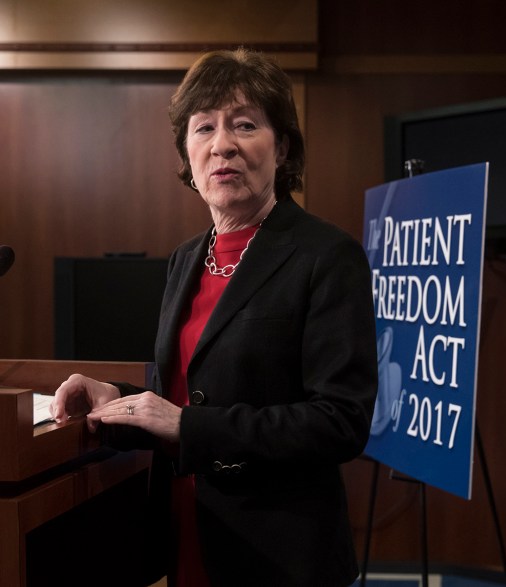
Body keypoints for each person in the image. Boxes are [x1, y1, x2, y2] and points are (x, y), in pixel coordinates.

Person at [51, 49, 378, 587]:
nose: (221, 144)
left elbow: (341, 422)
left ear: (283, 147)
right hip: (187, 535)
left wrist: (187, 426)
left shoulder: (325, 255)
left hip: (277, 556)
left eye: (244, 124)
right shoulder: (186, 258)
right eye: (204, 128)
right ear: (187, 152)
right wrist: (116, 399)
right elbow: (188, 389)